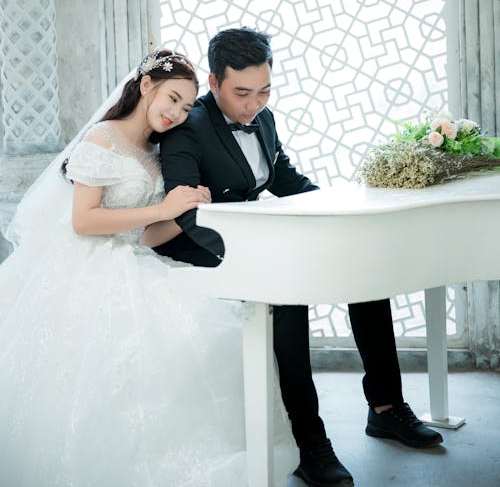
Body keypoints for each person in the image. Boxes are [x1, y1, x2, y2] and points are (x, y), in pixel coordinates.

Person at [151, 27, 443, 487]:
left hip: (255, 233)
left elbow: (287, 181)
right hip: (199, 243)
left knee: (363, 267)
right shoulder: (188, 127)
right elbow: (185, 212)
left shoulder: (263, 119)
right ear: (213, 83)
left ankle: (386, 407)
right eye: (242, 92)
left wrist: (347, 213)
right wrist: (251, 257)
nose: (255, 103)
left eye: (265, 90)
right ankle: (310, 444)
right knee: (285, 296)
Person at [0, 48, 297, 487]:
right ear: (146, 86)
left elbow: (146, 235)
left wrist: (184, 211)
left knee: (208, 328)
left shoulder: (155, 151)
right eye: (172, 99)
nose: (177, 113)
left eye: (185, 105)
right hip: (84, 263)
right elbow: (85, 221)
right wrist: (163, 205)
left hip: (133, 256)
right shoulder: (103, 137)